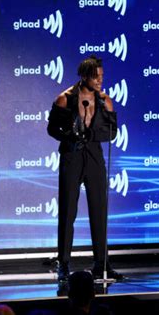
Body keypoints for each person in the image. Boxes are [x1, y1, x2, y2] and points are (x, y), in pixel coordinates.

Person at [47, 55, 121, 281]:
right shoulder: (65, 99)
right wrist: (69, 136)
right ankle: (64, 264)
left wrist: (92, 134)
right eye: (95, 77)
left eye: (102, 77)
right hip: (72, 156)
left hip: (95, 157)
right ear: (84, 76)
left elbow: (113, 132)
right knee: (68, 211)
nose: (100, 81)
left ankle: (101, 264)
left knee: (99, 210)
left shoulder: (104, 101)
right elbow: (52, 129)